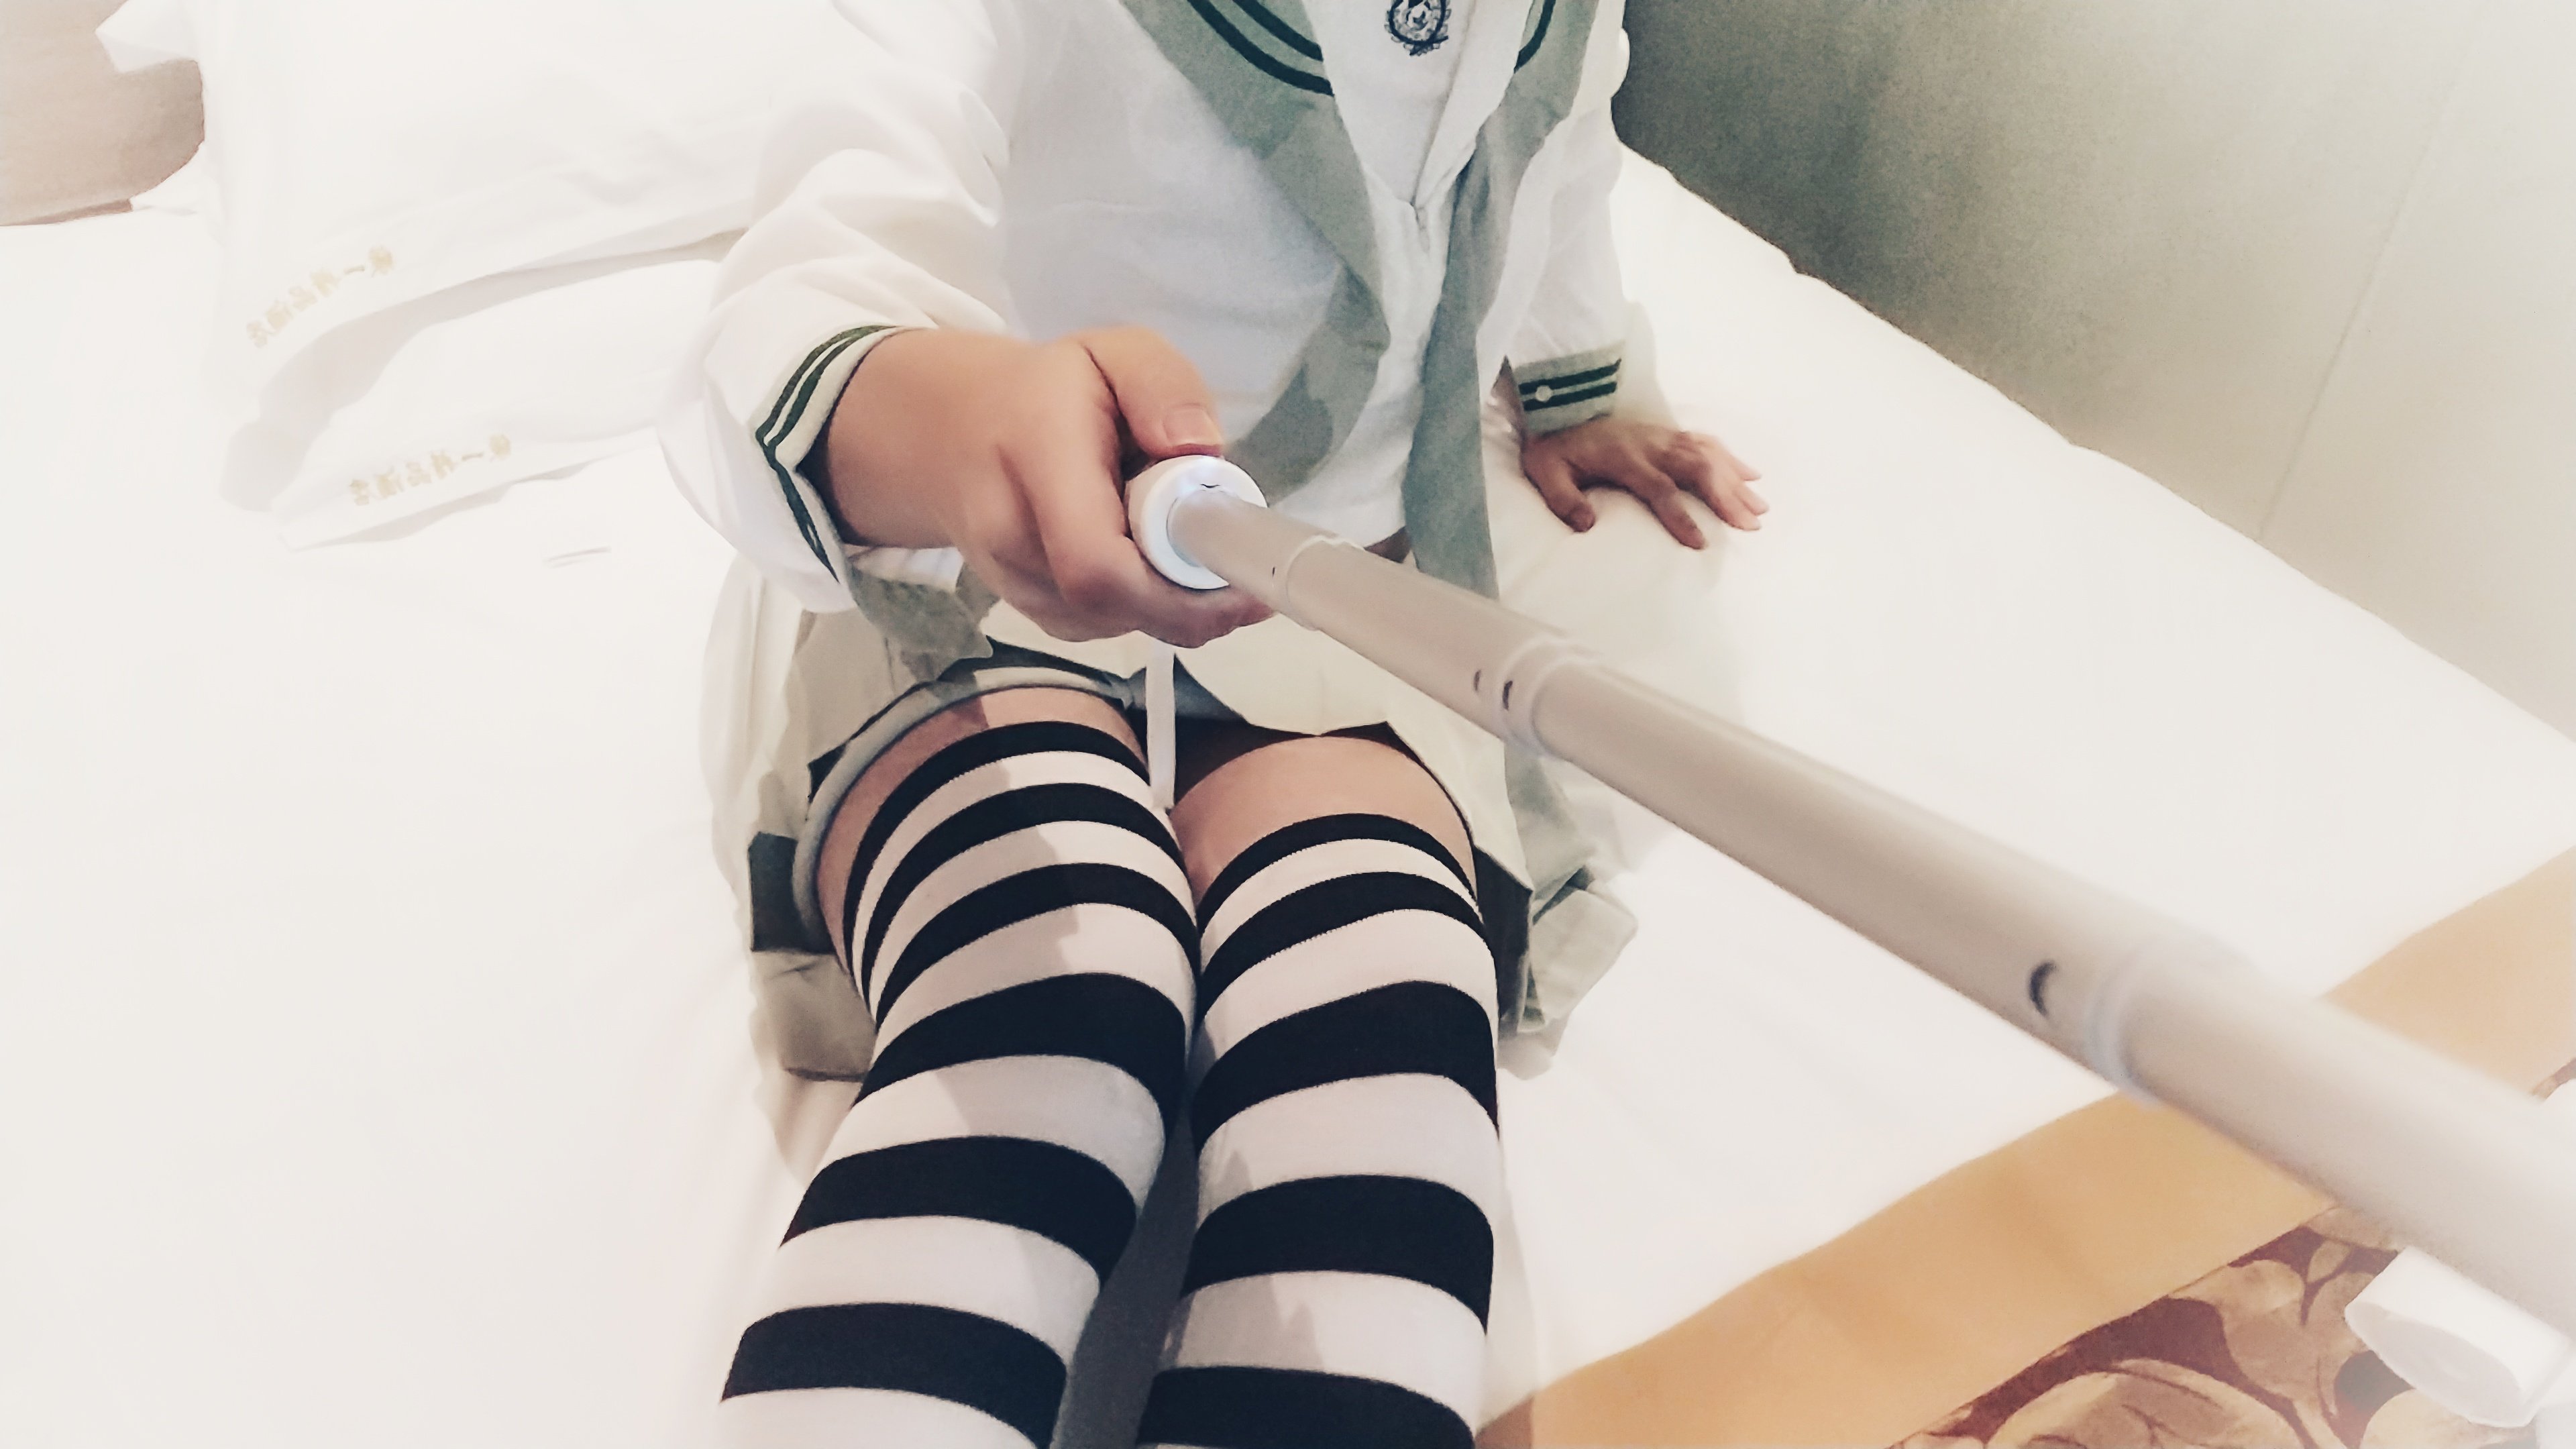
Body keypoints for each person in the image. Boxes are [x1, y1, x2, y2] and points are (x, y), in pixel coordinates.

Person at [661, 1, 1764, 1444]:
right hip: (975, 585)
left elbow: (1554, 144)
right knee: (1059, 1000)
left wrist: (1575, 379)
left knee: (1389, 1045)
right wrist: (962, 425)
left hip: (1332, 619)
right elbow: (822, 252)